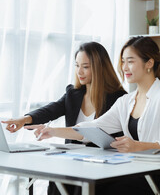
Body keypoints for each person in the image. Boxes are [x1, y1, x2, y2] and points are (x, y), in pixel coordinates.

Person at [25, 36, 160, 195]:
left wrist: (140, 146)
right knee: (75, 183)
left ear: (149, 63)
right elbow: (92, 128)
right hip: (133, 169)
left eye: (130, 61)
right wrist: (52, 131)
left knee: (97, 187)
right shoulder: (126, 102)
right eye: (122, 61)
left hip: (152, 173)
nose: (124, 67)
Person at [2, 41, 126, 195]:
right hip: (73, 161)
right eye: (77, 65)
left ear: (100, 68)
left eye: (85, 67)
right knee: (57, 175)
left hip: (102, 165)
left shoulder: (119, 98)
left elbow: (98, 133)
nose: (79, 71)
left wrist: (52, 131)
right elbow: (51, 110)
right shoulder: (73, 93)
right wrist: (23, 119)